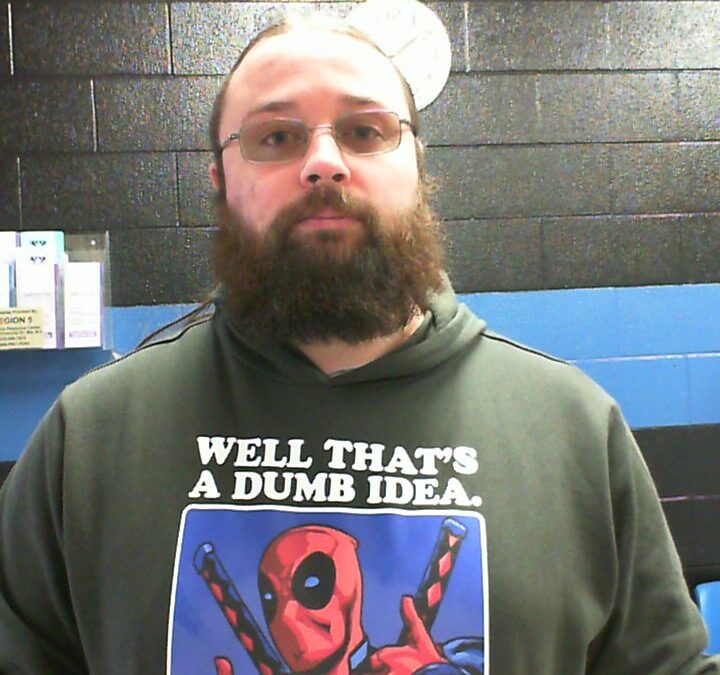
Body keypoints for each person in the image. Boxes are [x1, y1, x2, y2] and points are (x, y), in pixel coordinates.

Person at [0, 15, 717, 675]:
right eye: (275, 137)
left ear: (418, 170)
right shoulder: (89, 438)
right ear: (220, 182)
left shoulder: (572, 429)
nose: (324, 163)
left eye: (366, 131)